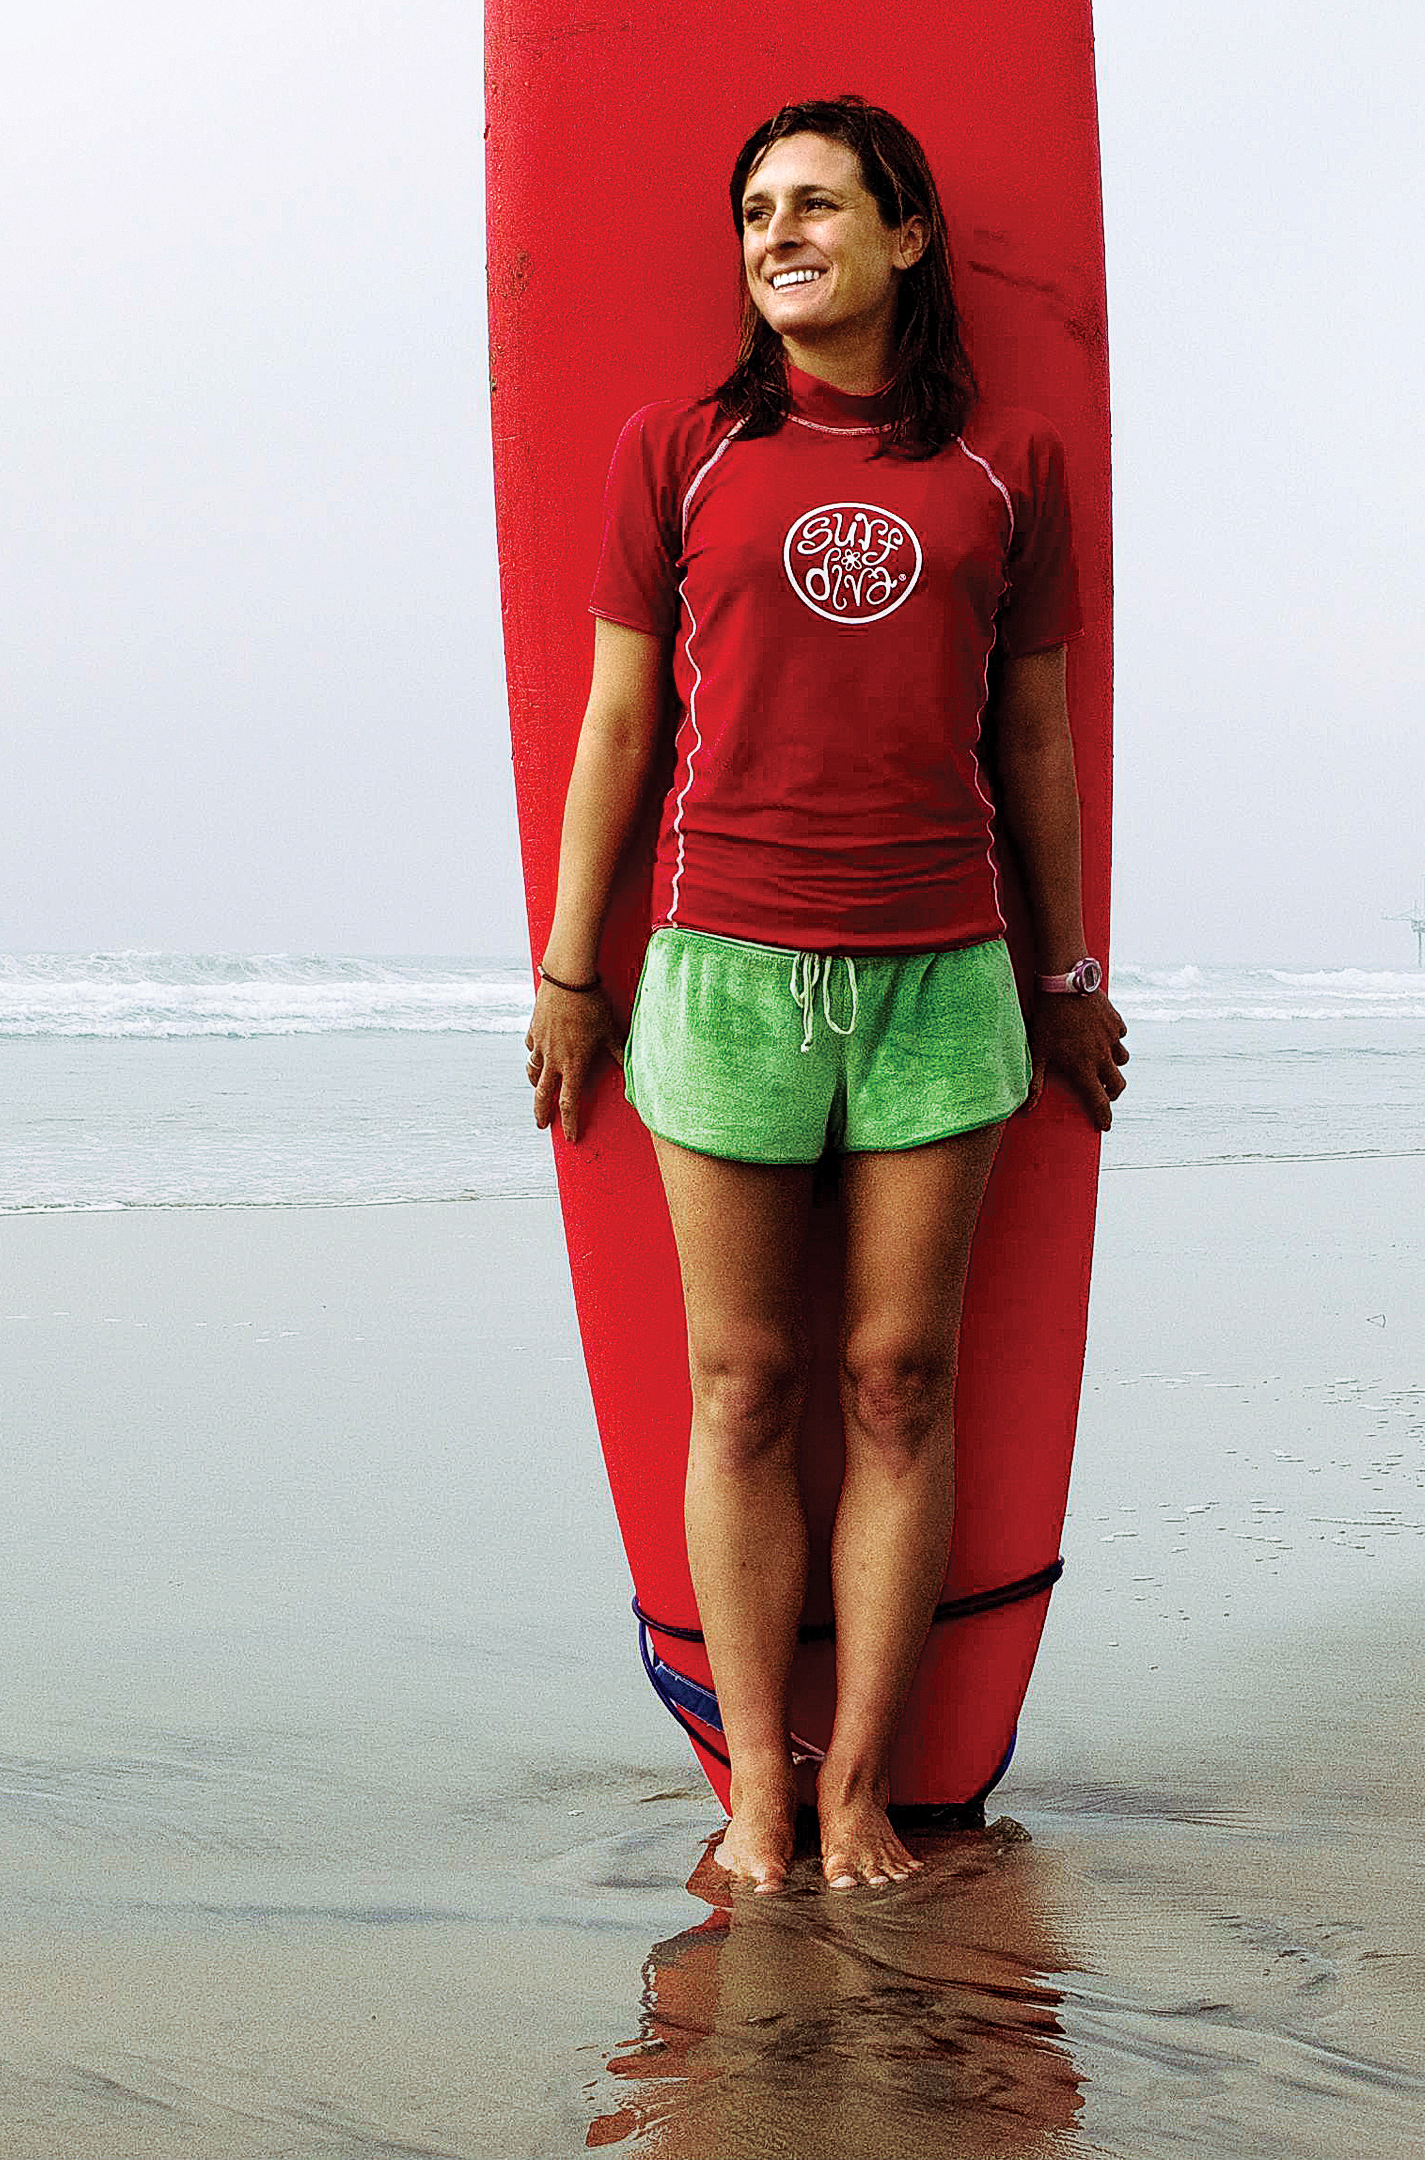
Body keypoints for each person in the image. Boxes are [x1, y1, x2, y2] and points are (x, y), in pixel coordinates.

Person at [521, 95, 1128, 1896]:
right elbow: (617, 725)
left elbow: (1036, 739)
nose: (778, 231)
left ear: (905, 234)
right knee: (741, 1379)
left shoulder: (1007, 461)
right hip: (716, 967)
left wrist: (1065, 970)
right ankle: (755, 1802)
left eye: (816, 203)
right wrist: (570, 972)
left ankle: (856, 1782)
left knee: (896, 1375)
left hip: (942, 974)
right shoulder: (680, 450)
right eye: (754, 210)